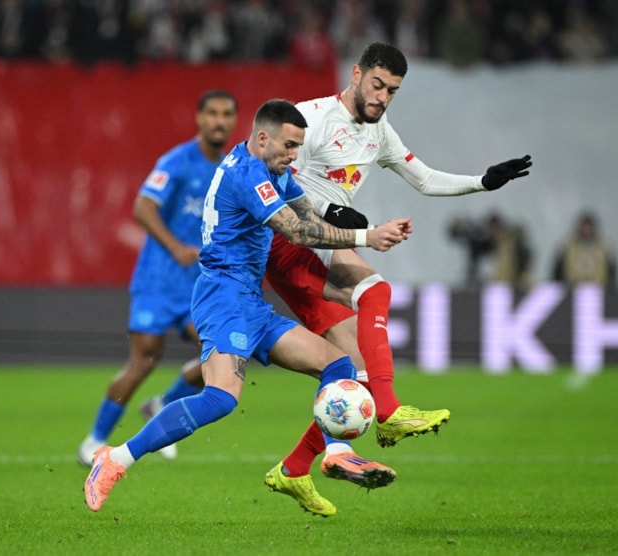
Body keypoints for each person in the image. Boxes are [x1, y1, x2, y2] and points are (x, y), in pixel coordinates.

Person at [141, 42, 533, 516]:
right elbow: (278, 177)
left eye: (393, 90)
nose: (383, 97)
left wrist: (482, 182)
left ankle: (296, 468)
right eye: (378, 85)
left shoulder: (380, 133)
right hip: (292, 242)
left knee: (353, 370)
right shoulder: (313, 118)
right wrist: (336, 215)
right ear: (357, 75)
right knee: (375, 289)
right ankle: (388, 412)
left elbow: (425, 179)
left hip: (317, 244)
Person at [83, 98, 411, 514]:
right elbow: (298, 232)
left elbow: (308, 214)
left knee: (339, 366)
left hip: (250, 302)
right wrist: (367, 237)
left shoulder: (273, 171)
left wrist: (352, 221)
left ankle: (336, 453)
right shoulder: (247, 174)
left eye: (298, 146)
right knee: (221, 399)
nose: (294, 155)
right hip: (222, 298)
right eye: (289, 146)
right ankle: (114, 458)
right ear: (262, 138)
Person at [76, 89, 238, 467]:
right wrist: (176, 247)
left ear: (233, 120)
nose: (219, 121)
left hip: (198, 285)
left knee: (222, 354)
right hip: (159, 281)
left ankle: (164, 402)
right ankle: (95, 439)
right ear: (199, 118)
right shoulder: (177, 161)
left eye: (226, 114)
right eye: (212, 113)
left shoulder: (228, 169)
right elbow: (143, 207)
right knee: (144, 360)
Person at [552, 211, 617, 287]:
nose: (586, 231)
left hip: (598, 288)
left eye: (589, 228)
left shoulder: (604, 248)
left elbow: (612, 272)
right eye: (584, 228)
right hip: (572, 288)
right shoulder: (568, 247)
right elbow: (557, 271)